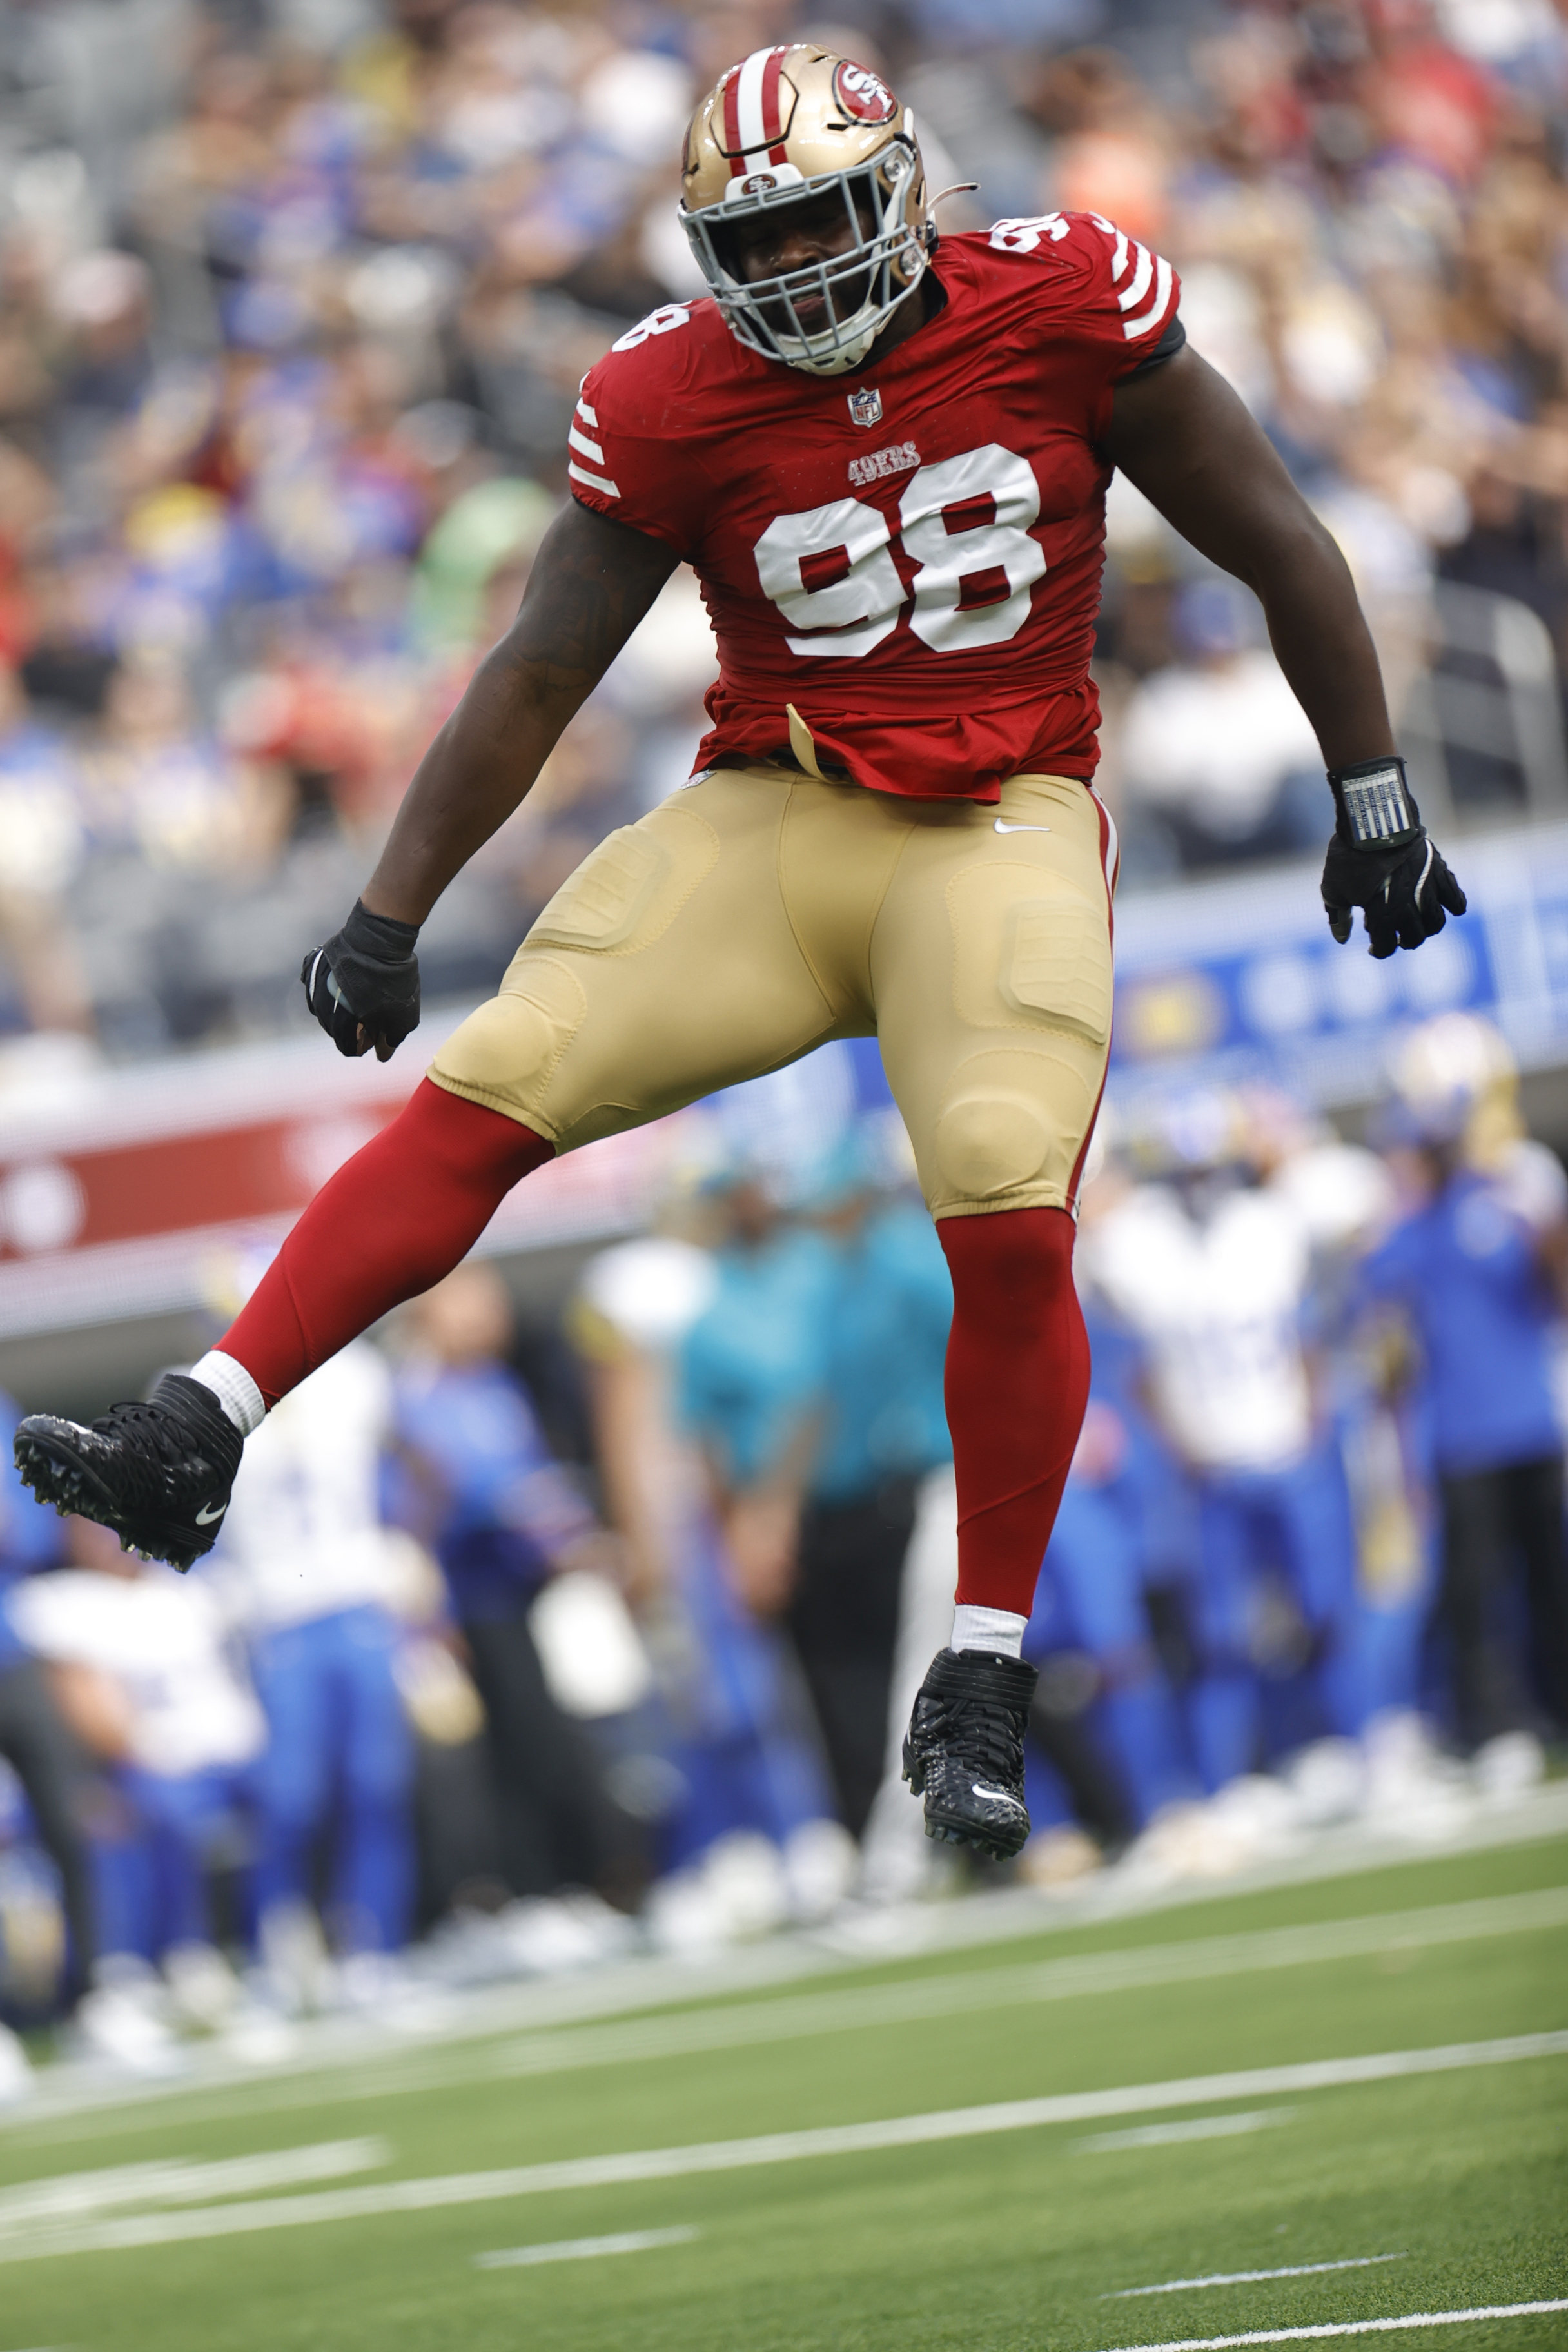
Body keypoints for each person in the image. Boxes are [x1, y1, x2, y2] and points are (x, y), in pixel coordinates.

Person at [15, 43, 1467, 1865]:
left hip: (999, 815)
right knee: (496, 1085)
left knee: (1009, 1209)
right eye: (752, 243)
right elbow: (536, 665)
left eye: (813, 228)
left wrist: (1376, 785)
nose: (787, 275)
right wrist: (391, 911)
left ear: (902, 194)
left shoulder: (1065, 297)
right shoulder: (669, 392)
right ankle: (197, 1425)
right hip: (776, 815)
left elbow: (1273, 536)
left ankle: (987, 1671)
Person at [1361, 1016, 1568, 1768]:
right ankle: (1492, 1725)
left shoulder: (1517, 1190)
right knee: (1476, 1594)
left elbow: (1554, 1293)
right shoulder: (1412, 1223)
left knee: (1550, 1579)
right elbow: (1379, 1315)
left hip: (1533, 1423)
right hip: (1458, 1435)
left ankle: (1553, 1709)